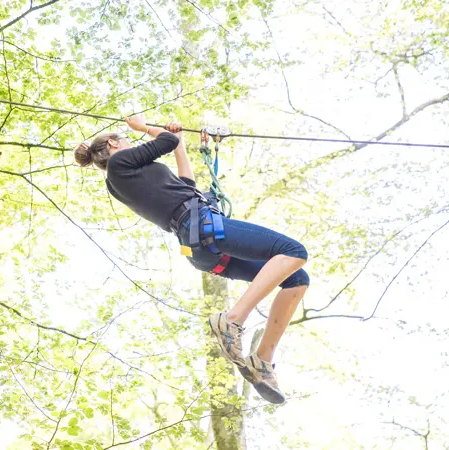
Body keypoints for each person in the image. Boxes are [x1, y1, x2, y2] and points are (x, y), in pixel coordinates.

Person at [74, 114, 309, 404]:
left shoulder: (126, 178)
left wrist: (180, 145)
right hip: (203, 227)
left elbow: (187, 183)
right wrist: (145, 127)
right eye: (126, 139)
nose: (132, 143)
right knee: (294, 252)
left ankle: (263, 360)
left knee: (297, 279)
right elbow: (166, 139)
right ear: (113, 143)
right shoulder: (119, 165)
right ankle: (232, 320)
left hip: (199, 245)